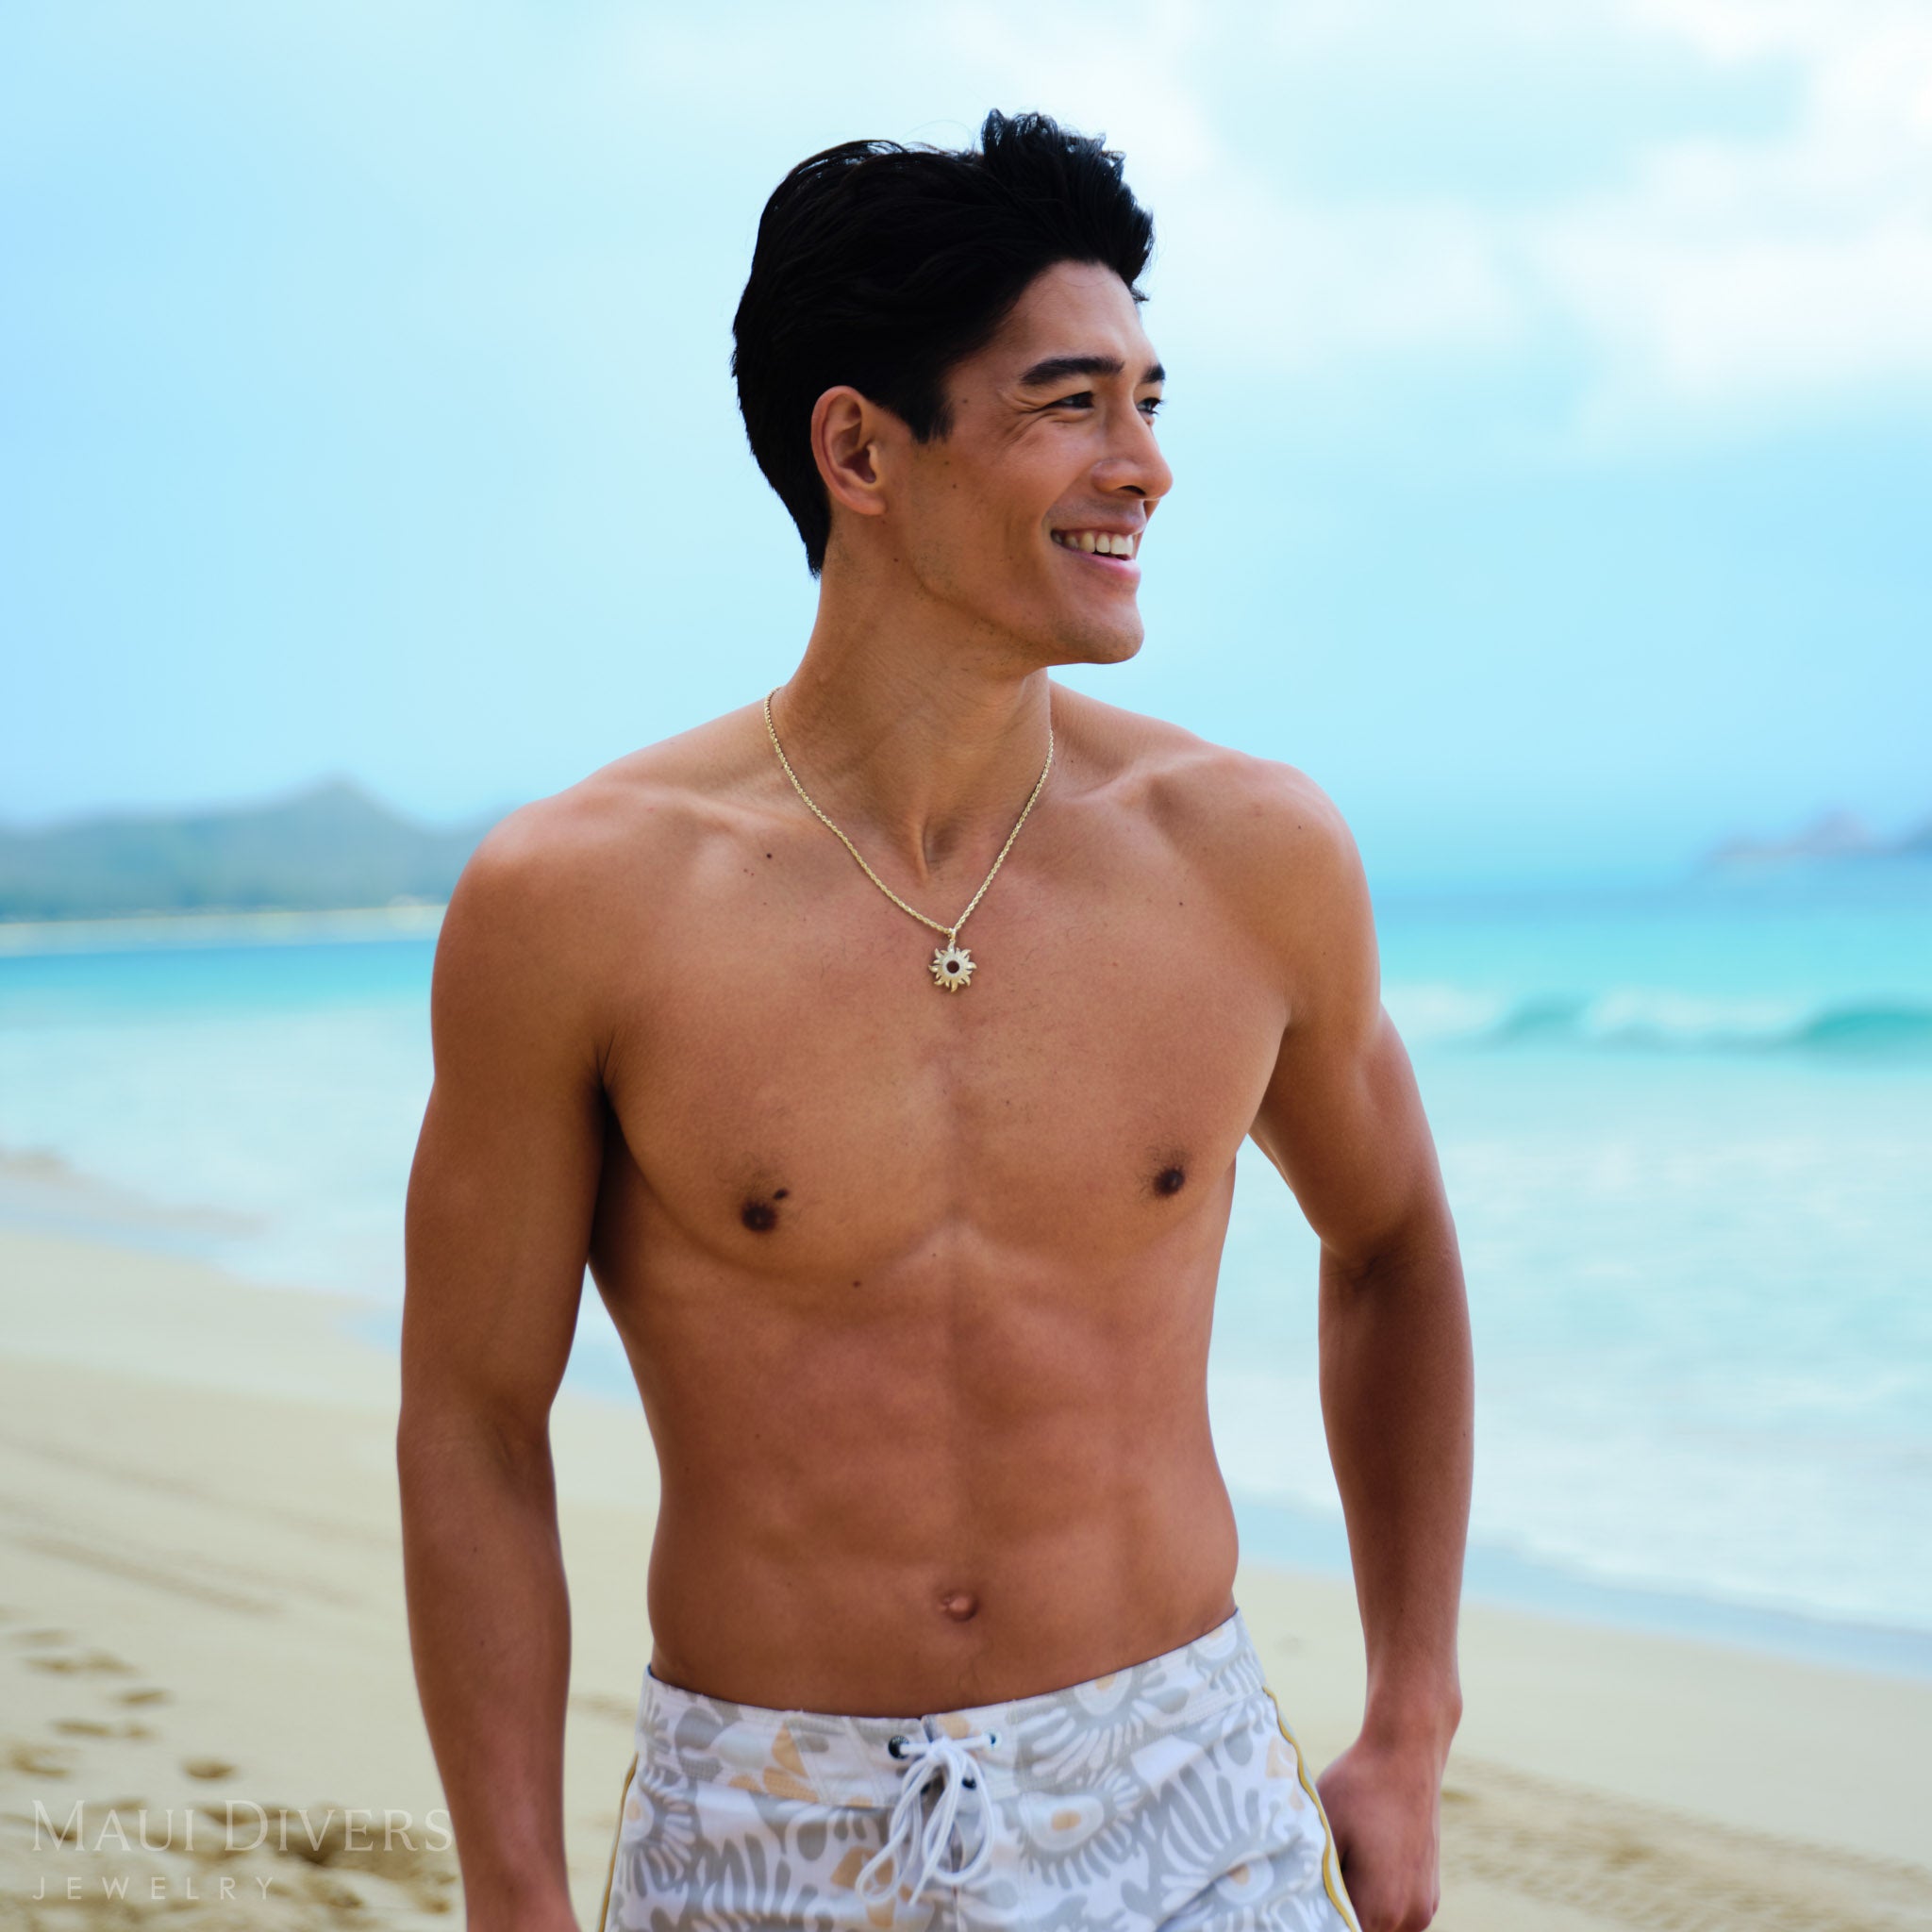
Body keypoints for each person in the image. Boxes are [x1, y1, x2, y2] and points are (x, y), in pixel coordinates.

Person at [398, 109, 1473, 1932]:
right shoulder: (581, 902)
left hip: (1185, 1804)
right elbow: (476, 1419)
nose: (1142, 465)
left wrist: (1408, 1713)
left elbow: (1392, 1240)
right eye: (1071, 403)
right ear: (860, 449)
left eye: (1152, 398)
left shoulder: (1249, 856)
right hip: (772, 1830)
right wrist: (515, 1894)